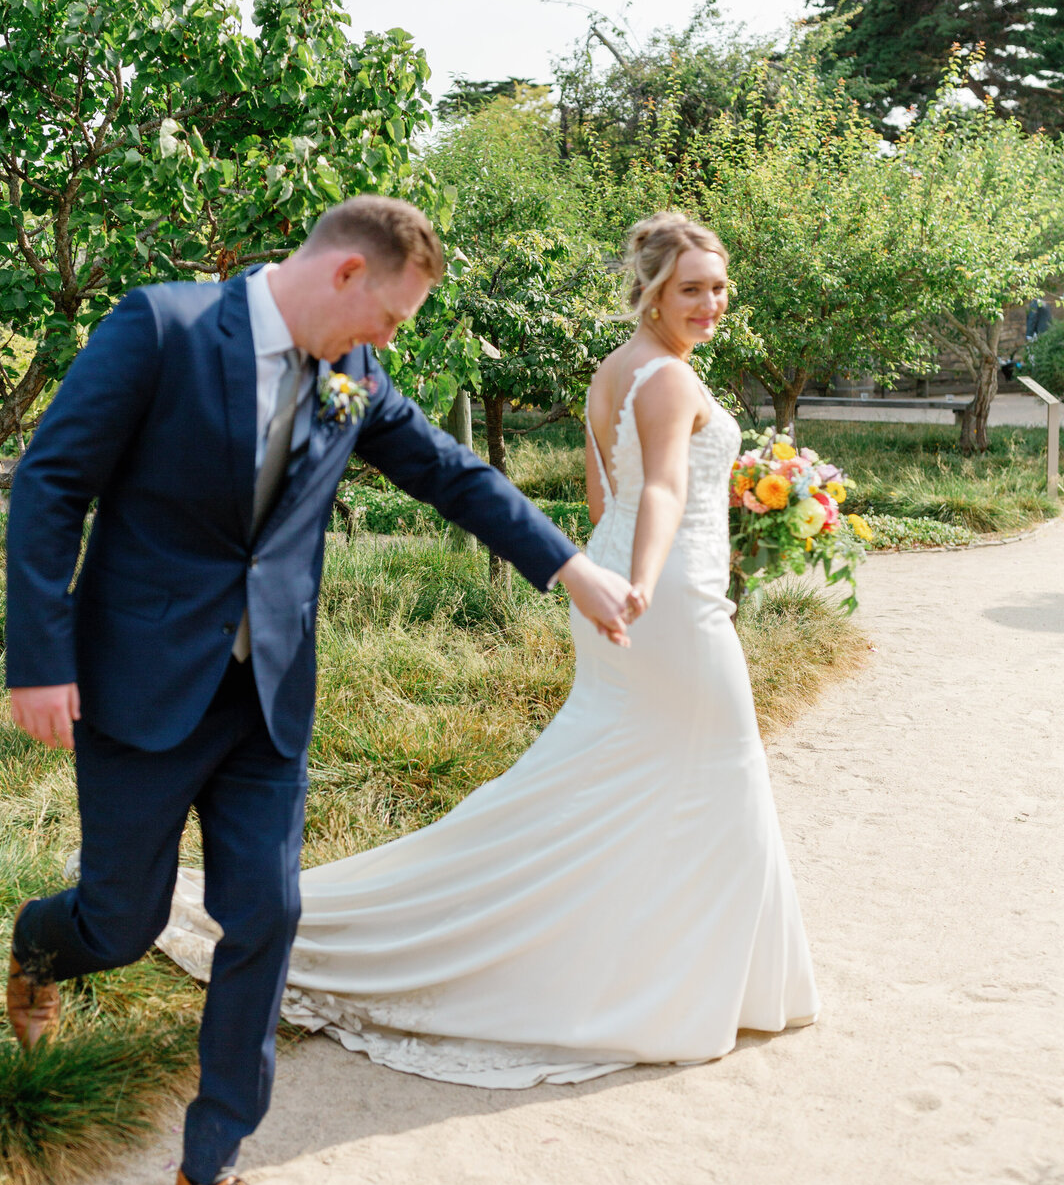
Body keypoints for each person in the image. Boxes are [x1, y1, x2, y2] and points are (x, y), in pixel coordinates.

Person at [3, 195, 635, 1185]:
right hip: (142, 684)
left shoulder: (355, 380)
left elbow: (453, 471)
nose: (392, 342)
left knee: (268, 913)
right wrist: (40, 656)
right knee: (123, 919)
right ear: (346, 275)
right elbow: (54, 481)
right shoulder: (159, 327)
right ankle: (41, 943)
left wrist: (568, 567)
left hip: (267, 703)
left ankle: (210, 1173)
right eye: (391, 317)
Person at [163, 210, 820, 1089]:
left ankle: (658, 965)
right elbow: (661, 489)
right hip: (663, 598)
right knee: (716, 768)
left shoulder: (616, 370)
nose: (711, 302)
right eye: (692, 287)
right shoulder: (665, 381)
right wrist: (656, 576)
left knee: (617, 771)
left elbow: (605, 493)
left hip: (618, 577)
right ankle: (687, 984)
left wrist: (637, 560)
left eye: (719, 285)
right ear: (653, 291)